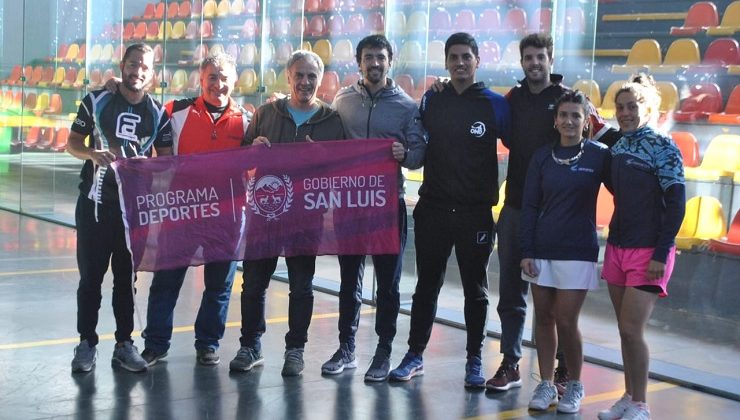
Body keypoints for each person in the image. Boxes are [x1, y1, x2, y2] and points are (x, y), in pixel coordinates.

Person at [487, 33, 619, 393]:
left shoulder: (568, 100)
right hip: (517, 208)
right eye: (528, 57)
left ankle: (562, 371)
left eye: (540, 57)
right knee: (512, 294)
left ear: (551, 59)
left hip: (562, 219)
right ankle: (511, 363)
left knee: (560, 310)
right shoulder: (512, 100)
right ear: (521, 62)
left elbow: (608, 136)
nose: (534, 63)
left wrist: (646, 145)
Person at [388, 32, 510, 388]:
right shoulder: (432, 99)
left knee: (476, 290)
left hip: (475, 212)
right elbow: (412, 136)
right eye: (453, 57)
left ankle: (474, 360)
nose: (460, 63)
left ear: (476, 61)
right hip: (434, 209)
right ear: (445, 63)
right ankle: (414, 355)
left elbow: (521, 142)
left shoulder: (494, 104)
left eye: (466, 57)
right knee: (427, 286)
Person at [229, 50, 345, 377]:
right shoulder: (266, 114)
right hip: (264, 214)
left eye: (312, 76)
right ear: (288, 77)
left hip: (305, 218)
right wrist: (251, 151)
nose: (305, 82)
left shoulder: (331, 121)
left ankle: (295, 350)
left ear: (319, 80)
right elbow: (242, 159)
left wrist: (323, 157)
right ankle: (250, 345)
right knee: (253, 285)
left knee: (302, 287)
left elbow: (343, 170)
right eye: (300, 75)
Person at [320, 34, 426, 382]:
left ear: (390, 61)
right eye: (369, 57)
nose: (375, 63)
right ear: (359, 61)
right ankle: (347, 347)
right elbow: (332, 144)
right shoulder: (343, 99)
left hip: (387, 207)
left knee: (388, 285)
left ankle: (383, 352)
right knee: (349, 279)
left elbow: (418, 153)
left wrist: (405, 155)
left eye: (381, 57)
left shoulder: (406, 106)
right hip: (351, 205)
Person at [136, 53, 250, 366]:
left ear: (234, 80)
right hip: (181, 215)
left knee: (219, 285)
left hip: (226, 218)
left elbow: (259, 161)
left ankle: (208, 344)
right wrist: (113, 86)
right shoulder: (175, 111)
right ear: (200, 80)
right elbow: (139, 107)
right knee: (166, 281)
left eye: (224, 77)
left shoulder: (246, 120)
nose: (218, 83)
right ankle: (156, 345)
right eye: (212, 77)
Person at [67, 43, 173, 373]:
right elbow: (72, 143)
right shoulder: (97, 100)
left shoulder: (159, 113)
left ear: (152, 74)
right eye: (133, 64)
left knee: (126, 282)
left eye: (144, 67)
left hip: (132, 213)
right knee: (90, 280)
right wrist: (92, 155)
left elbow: (168, 161)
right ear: (122, 65)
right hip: (95, 208)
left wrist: (147, 171)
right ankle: (86, 343)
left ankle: (124, 344)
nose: (137, 71)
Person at [598, 74, 685, 420]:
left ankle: (641, 404)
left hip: (649, 252)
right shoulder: (618, 146)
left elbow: (676, 203)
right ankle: (629, 395)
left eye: (632, 107)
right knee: (624, 331)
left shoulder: (663, 146)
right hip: (618, 247)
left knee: (633, 329)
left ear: (646, 108)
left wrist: (661, 254)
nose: (625, 113)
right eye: (620, 108)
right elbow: (617, 189)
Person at [520, 91, 610, 413]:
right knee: (543, 317)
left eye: (576, 115)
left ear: (586, 121)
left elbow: (624, 185)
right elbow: (529, 206)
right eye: (563, 115)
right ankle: (546, 384)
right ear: (555, 120)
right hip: (542, 248)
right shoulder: (542, 156)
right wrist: (526, 250)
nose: (569, 121)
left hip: (578, 250)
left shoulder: (600, 155)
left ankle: (574, 385)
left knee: (566, 320)